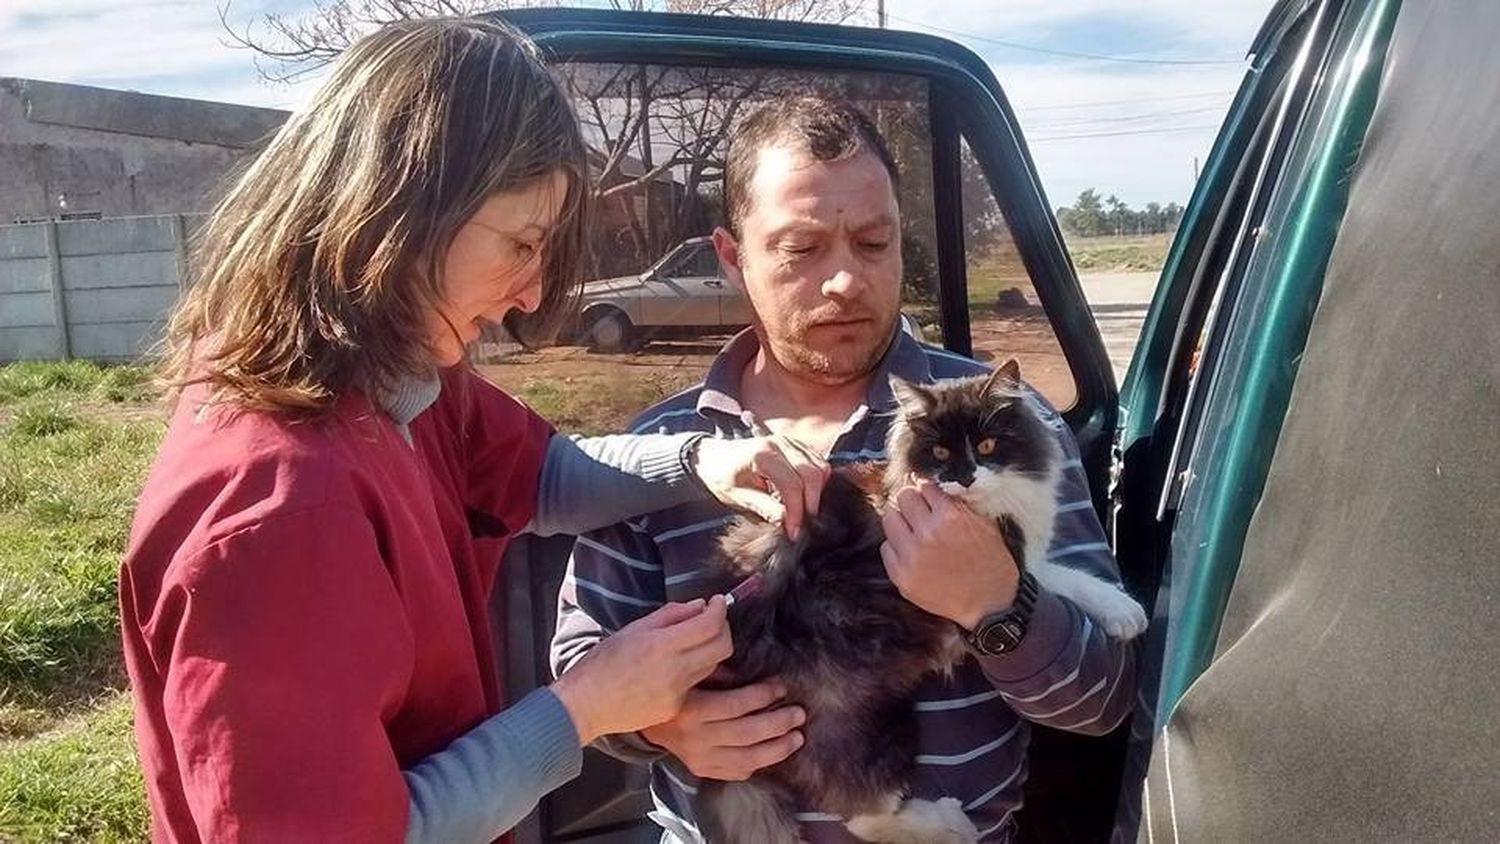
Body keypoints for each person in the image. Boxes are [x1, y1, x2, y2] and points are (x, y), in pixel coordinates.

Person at [118, 18, 828, 843]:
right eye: (522, 244)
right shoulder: (277, 519)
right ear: (407, 207)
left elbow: (544, 477)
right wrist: (587, 706)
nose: (529, 295)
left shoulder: (389, 378)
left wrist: (701, 460)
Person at [552, 96, 1137, 842]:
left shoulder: (1008, 427)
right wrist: (666, 724)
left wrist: (1000, 603)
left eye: (872, 242)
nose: (845, 282)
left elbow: (1103, 699)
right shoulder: (659, 449)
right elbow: (579, 675)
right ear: (732, 257)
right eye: (802, 248)